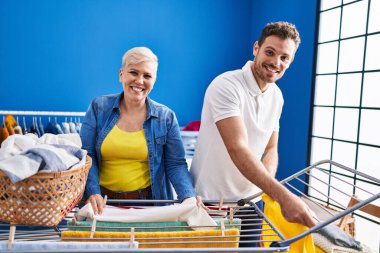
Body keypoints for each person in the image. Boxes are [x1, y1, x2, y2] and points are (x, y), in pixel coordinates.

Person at [190, 22, 317, 247]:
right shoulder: (227, 85)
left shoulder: (277, 96)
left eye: (284, 58)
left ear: (291, 61)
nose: (275, 63)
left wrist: (264, 189)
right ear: (256, 48)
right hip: (212, 203)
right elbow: (237, 149)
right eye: (270, 52)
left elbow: (270, 148)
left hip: (252, 205)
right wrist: (282, 196)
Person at [81, 47, 201, 214]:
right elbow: (87, 155)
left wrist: (188, 196)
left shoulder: (166, 117)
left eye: (147, 76)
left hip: (147, 205)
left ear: (154, 80)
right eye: (133, 72)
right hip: (101, 204)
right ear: (121, 74)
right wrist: (93, 192)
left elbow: (175, 164)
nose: (140, 81)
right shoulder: (99, 107)